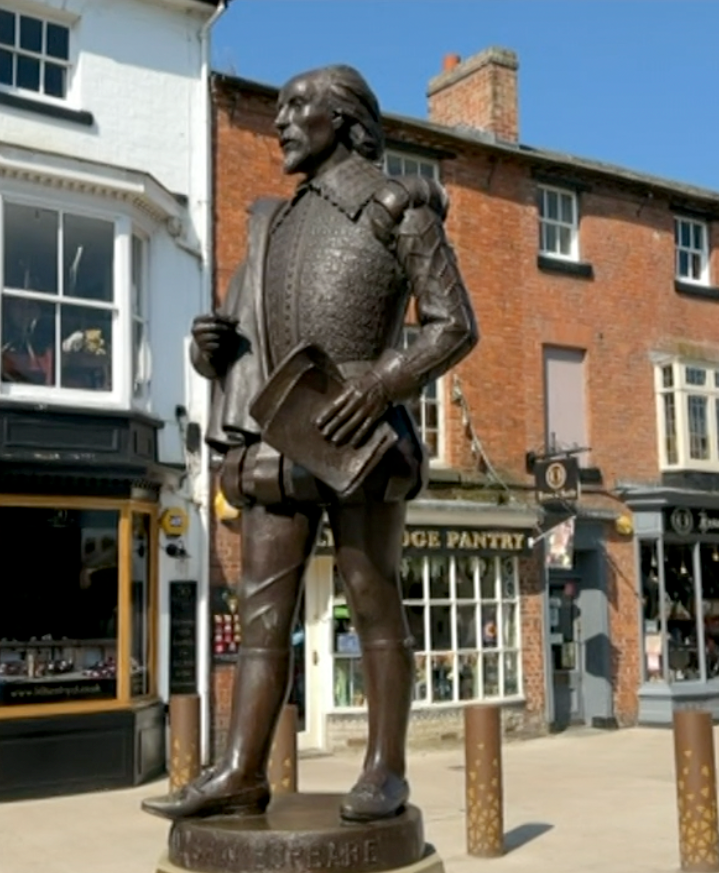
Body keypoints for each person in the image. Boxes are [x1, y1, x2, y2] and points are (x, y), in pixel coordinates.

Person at [141, 64, 478, 824]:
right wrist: (211, 348)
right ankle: (239, 769)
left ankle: (386, 767)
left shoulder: (400, 211)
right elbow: (249, 338)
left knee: (372, 601)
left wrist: (384, 385)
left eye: (300, 107)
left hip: (362, 437)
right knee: (261, 615)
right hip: (280, 434)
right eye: (281, 108)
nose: (282, 121)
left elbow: (454, 323)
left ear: (346, 118)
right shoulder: (276, 223)